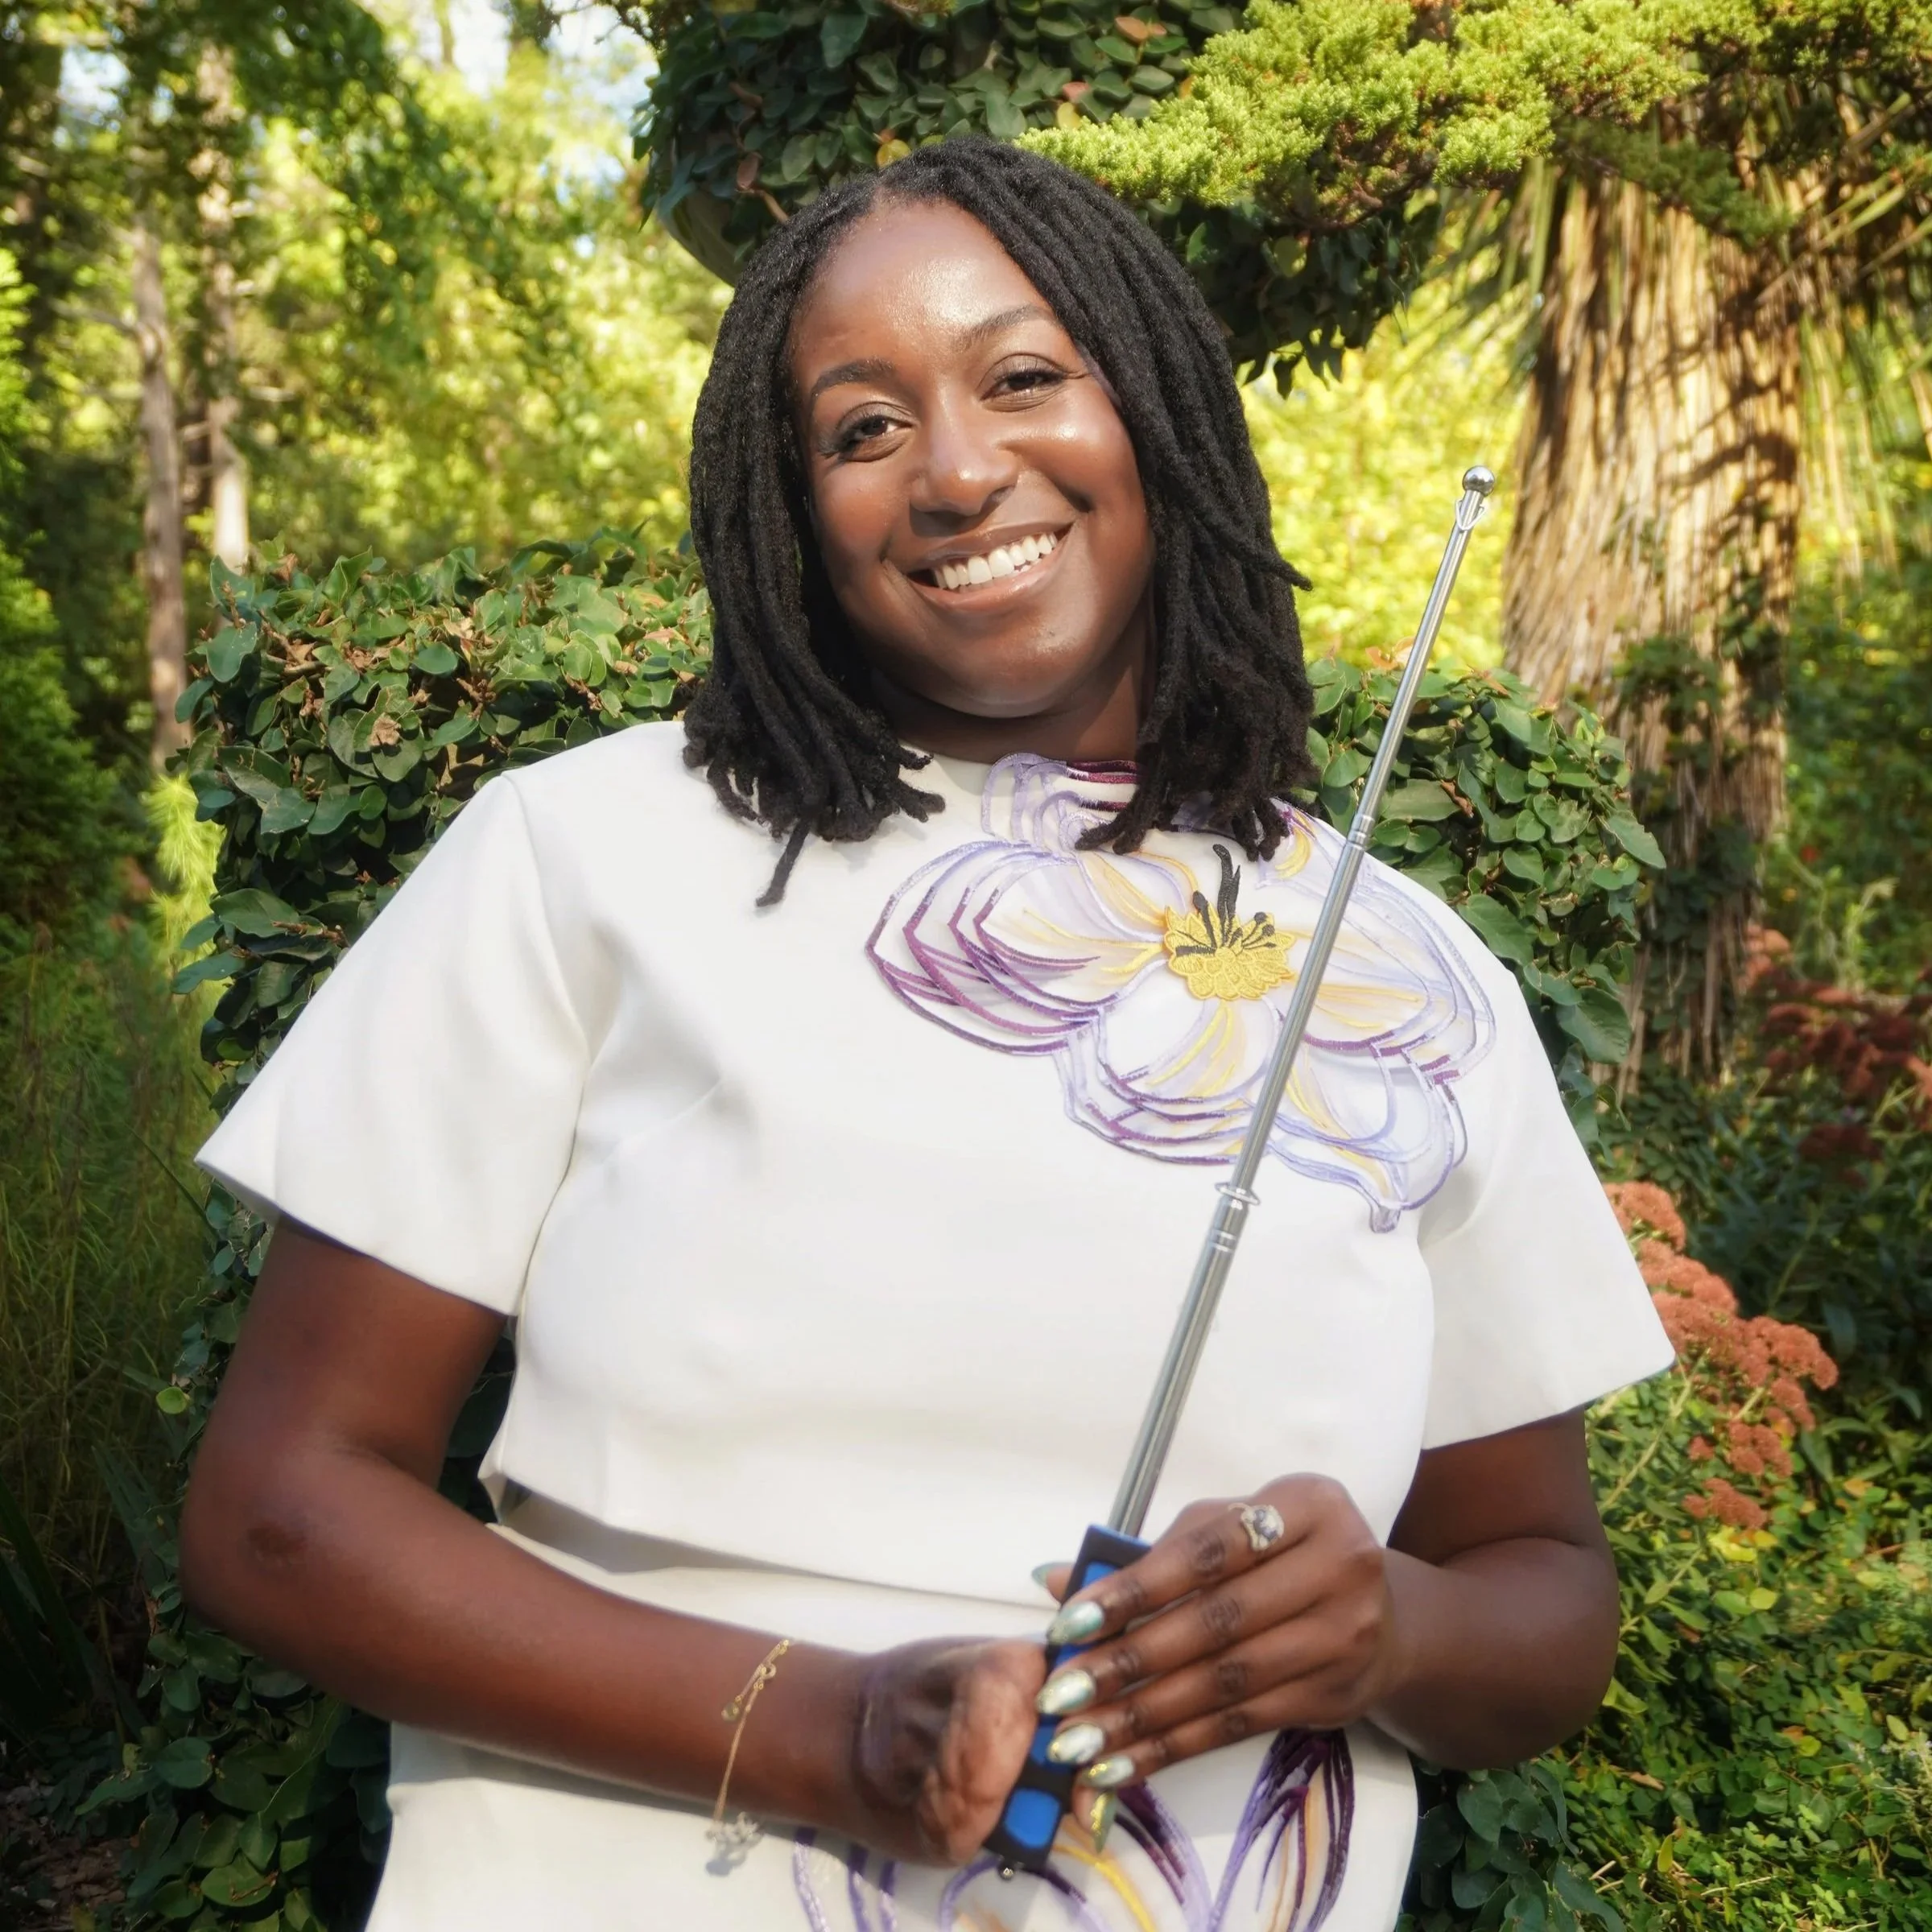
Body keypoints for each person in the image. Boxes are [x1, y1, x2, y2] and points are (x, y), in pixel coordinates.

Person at [180, 139, 1674, 1932]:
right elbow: (281, 1509)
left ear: (1161, 413)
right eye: (864, 428)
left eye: (1025, 376)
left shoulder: (1402, 973)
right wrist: (822, 1732)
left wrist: (1391, 1631)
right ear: (789, 498)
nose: (961, 472)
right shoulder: (582, 857)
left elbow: (1546, 1597)